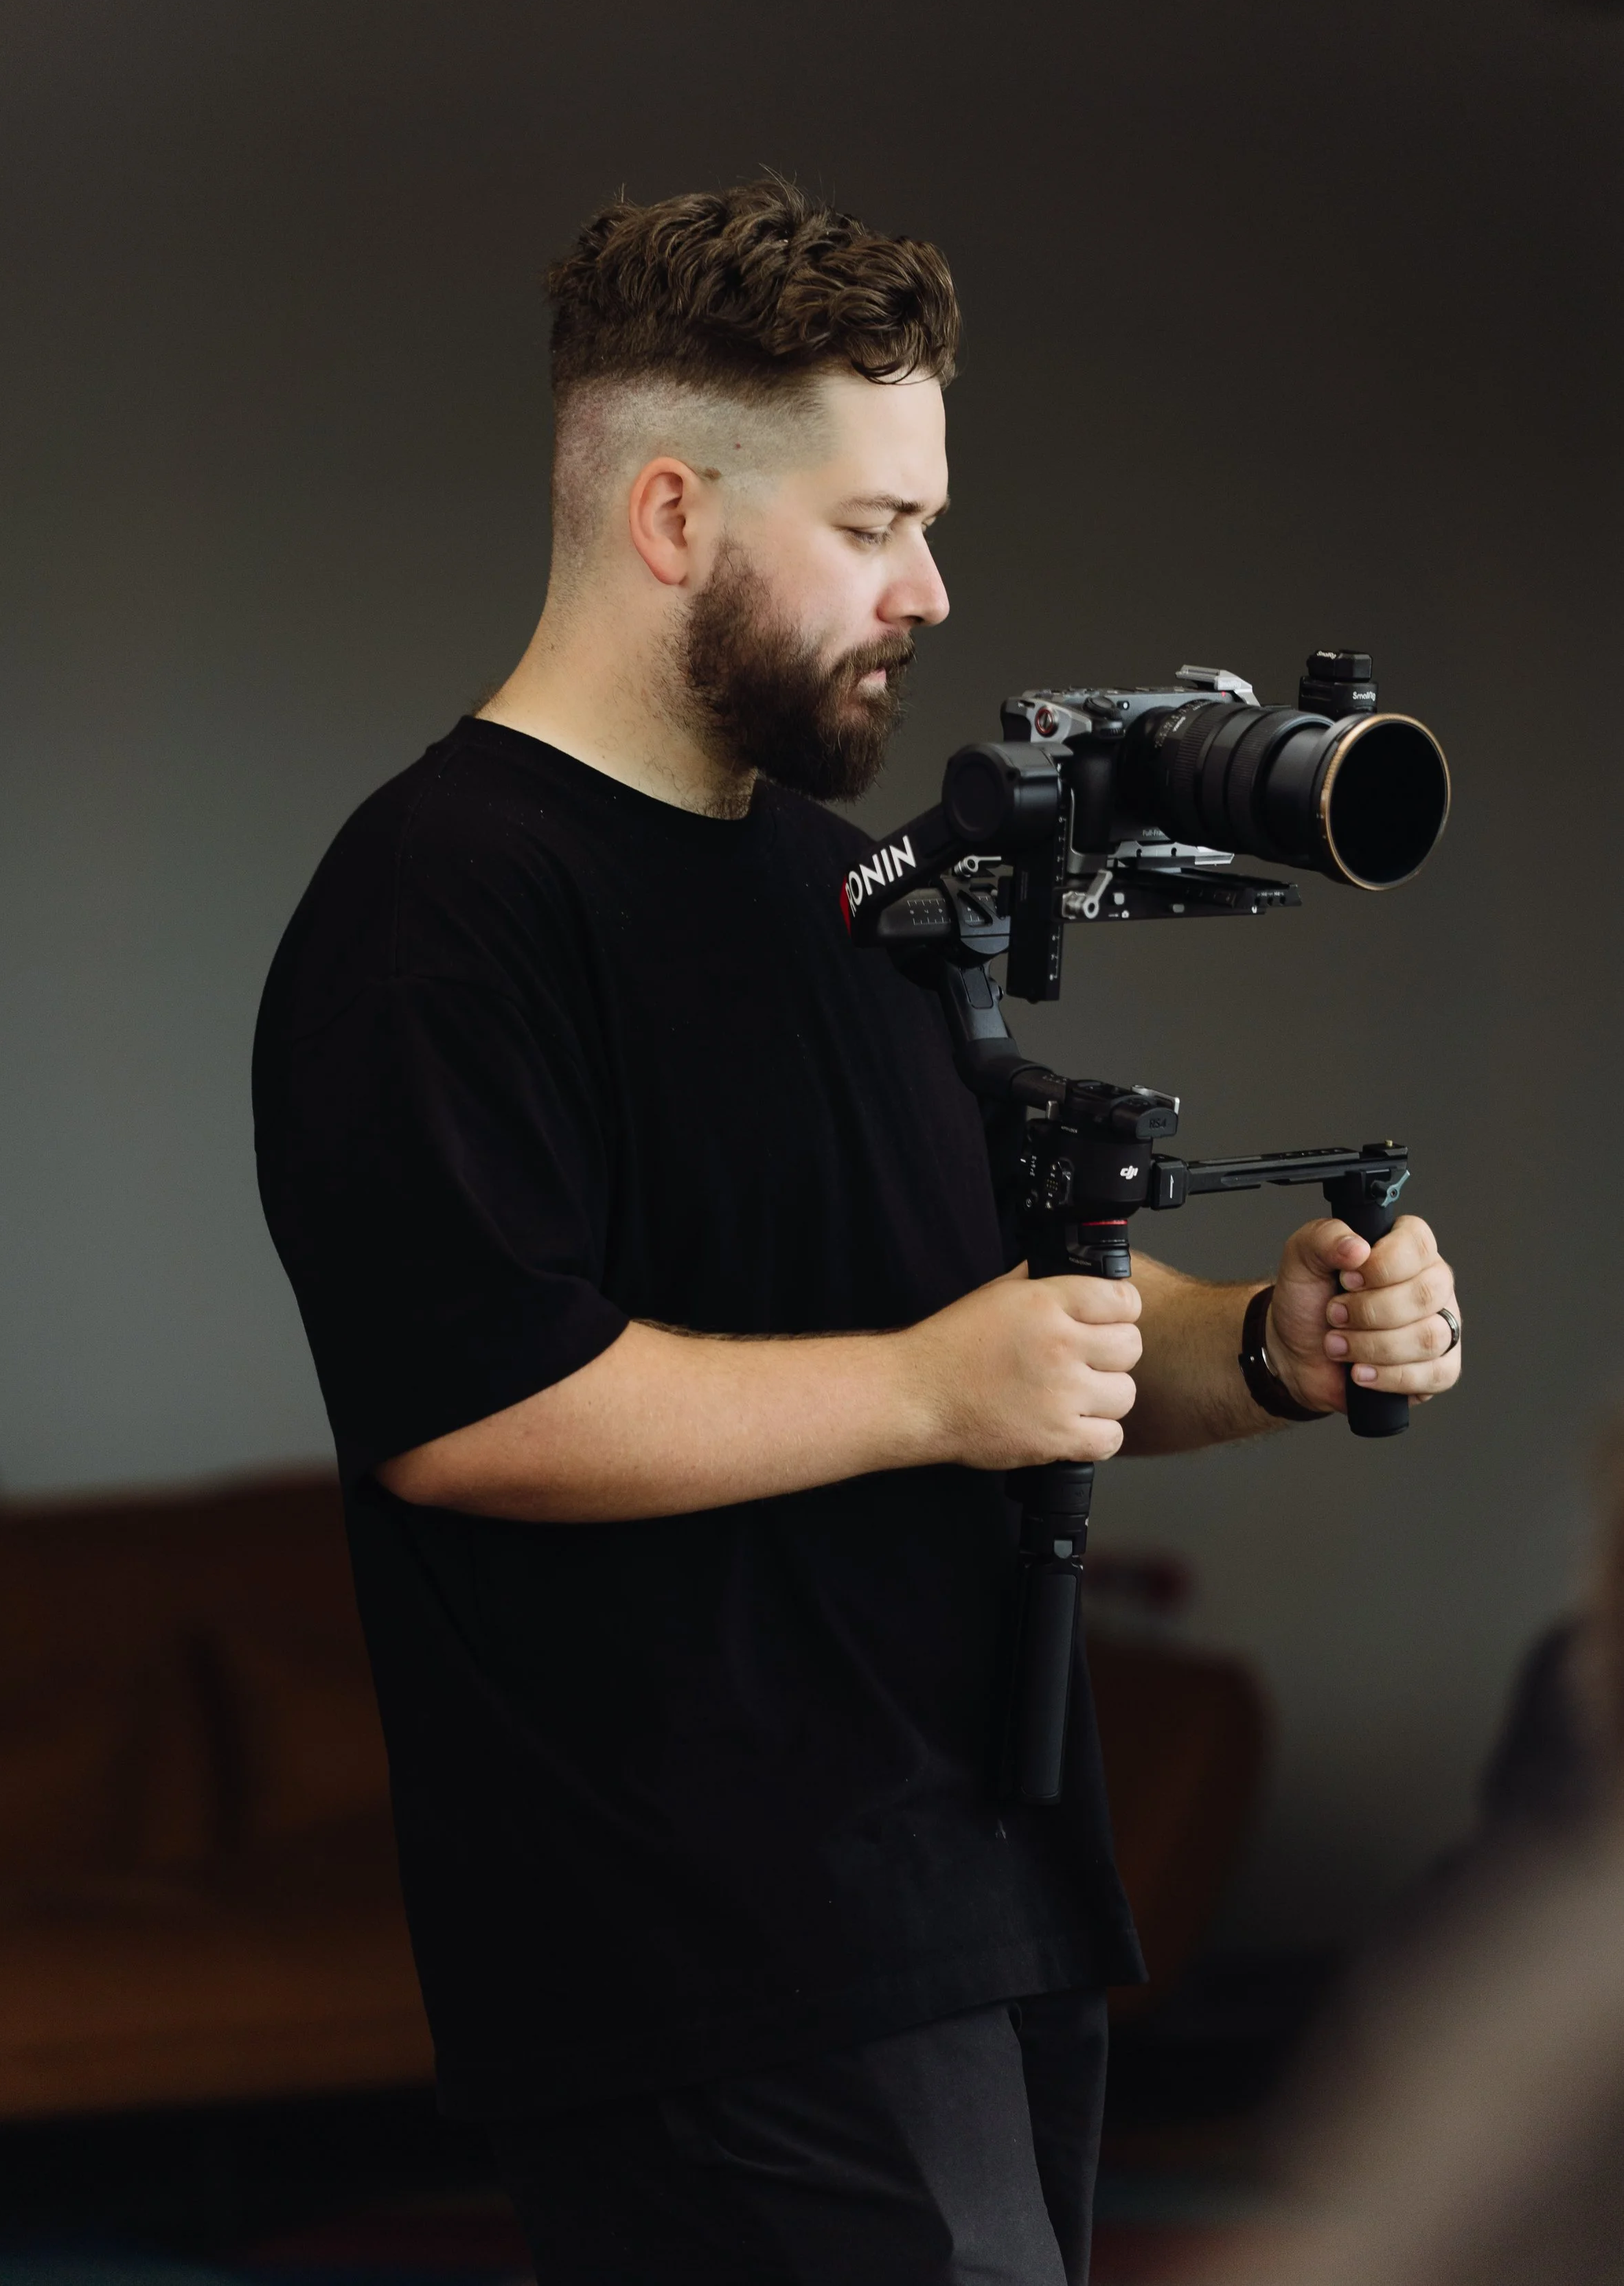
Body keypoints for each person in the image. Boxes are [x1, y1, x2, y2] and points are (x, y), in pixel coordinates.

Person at [251, 176, 1463, 2286]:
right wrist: (928, 1390)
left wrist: (1274, 1345)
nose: (928, 589)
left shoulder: (849, 890)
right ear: (671, 514)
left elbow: (1009, 1334)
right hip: (708, 1951)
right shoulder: (440, 904)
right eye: (872, 524)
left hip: (974, 1893)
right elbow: (474, 1408)